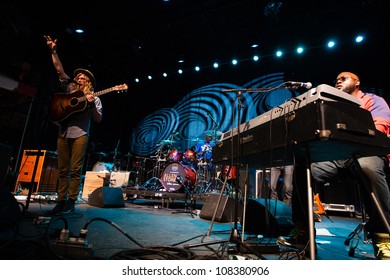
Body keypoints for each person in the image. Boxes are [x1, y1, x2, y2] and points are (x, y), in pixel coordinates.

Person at [278, 72, 390, 260]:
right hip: (336, 156)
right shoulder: (329, 104)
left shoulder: (373, 100)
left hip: (365, 152)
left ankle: (383, 238)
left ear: (357, 82)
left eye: (344, 78)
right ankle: (303, 232)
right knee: (303, 168)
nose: (338, 80)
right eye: (337, 79)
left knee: (368, 167)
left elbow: (378, 129)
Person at [44, 35, 103, 215]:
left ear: (89, 83)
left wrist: (92, 104)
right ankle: (60, 201)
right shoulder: (70, 90)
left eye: (83, 77)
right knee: (63, 169)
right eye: (78, 76)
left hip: (80, 134)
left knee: (75, 169)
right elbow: (59, 70)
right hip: (63, 132)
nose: (79, 78)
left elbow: (98, 119)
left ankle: (70, 201)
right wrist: (53, 51)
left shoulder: (95, 98)